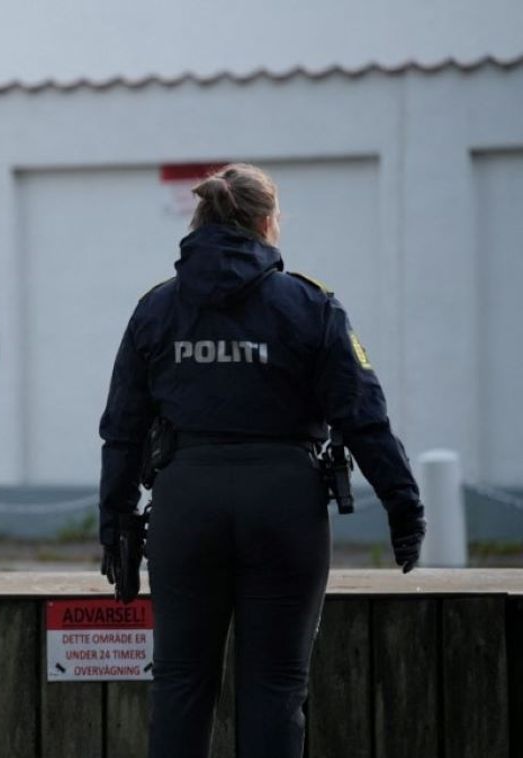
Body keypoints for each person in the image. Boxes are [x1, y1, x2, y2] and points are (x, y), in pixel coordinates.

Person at [96, 164, 426, 758]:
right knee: (276, 686)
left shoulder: (156, 309)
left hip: (185, 504)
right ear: (268, 222)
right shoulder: (310, 305)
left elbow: (122, 429)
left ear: (200, 219)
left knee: (179, 682)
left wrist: (115, 521)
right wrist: (404, 506)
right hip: (284, 505)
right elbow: (363, 417)